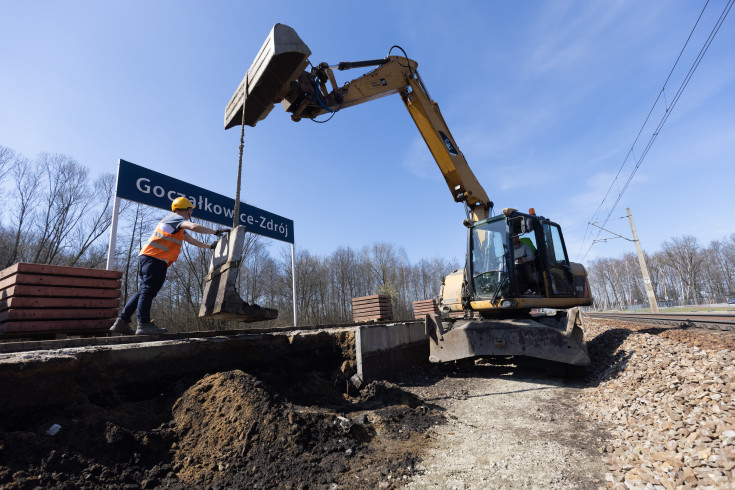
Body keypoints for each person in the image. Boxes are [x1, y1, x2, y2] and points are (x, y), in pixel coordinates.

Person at [110, 197, 229, 335]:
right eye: (191, 210)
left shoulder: (176, 225)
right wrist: (215, 232)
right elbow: (193, 226)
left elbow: (190, 240)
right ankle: (143, 324)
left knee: (143, 290)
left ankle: (122, 322)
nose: (191, 213)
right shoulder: (175, 218)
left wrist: (209, 246)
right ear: (188, 210)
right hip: (154, 259)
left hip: (149, 258)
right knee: (148, 290)